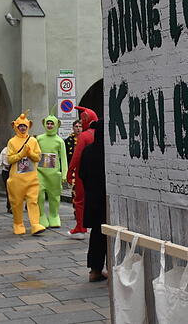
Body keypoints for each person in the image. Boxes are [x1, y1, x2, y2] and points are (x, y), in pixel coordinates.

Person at [6, 113, 45, 235]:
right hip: (16, 178)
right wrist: (22, 154)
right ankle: (18, 224)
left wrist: (30, 153)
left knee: (33, 201)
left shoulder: (33, 140)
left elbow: (38, 157)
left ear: (29, 126)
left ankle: (35, 224)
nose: (22, 128)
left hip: (31, 177)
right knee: (17, 203)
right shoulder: (12, 141)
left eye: (24, 126)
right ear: (15, 126)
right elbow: (9, 159)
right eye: (20, 126)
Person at [78, 120, 107, 282]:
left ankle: (95, 270)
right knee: (111, 234)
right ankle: (113, 268)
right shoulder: (110, 151)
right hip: (106, 199)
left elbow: (82, 173)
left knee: (96, 234)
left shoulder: (88, 150)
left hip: (93, 198)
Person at [66, 107, 98, 239]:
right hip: (98, 173)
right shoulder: (100, 134)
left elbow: (76, 157)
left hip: (83, 173)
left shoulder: (84, 136)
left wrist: (70, 172)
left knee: (79, 200)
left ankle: (80, 228)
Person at [36, 115, 67, 228]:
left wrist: (64, 173)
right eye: (48, 123)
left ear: (56, 125)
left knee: (54, 196)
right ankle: (41, 215)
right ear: (44, 124)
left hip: (54, 174)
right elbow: (34, 154)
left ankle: (54, 215)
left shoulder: (59, 141)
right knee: (39, 194)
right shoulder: (39, 139)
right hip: (40, 172)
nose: (49, 125)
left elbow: (63, 158)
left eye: (52, 123)